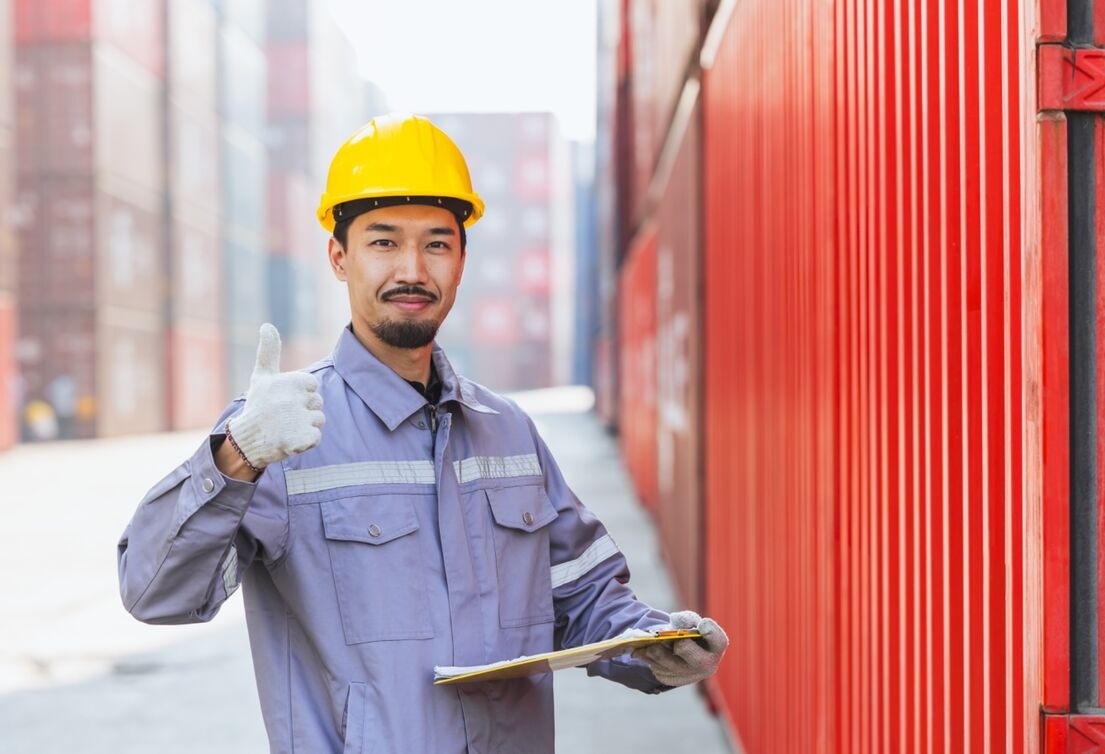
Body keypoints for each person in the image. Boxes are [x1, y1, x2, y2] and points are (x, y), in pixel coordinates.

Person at [117, 113, 728, 753]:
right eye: (384, 242)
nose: (412, 269)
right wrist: (237, 454)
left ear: (462, 260)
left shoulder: (509, 434)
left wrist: (656, 646)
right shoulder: (280, 436)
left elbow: (585, 596)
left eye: (436, 243)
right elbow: (154, 592)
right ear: (338, 257)